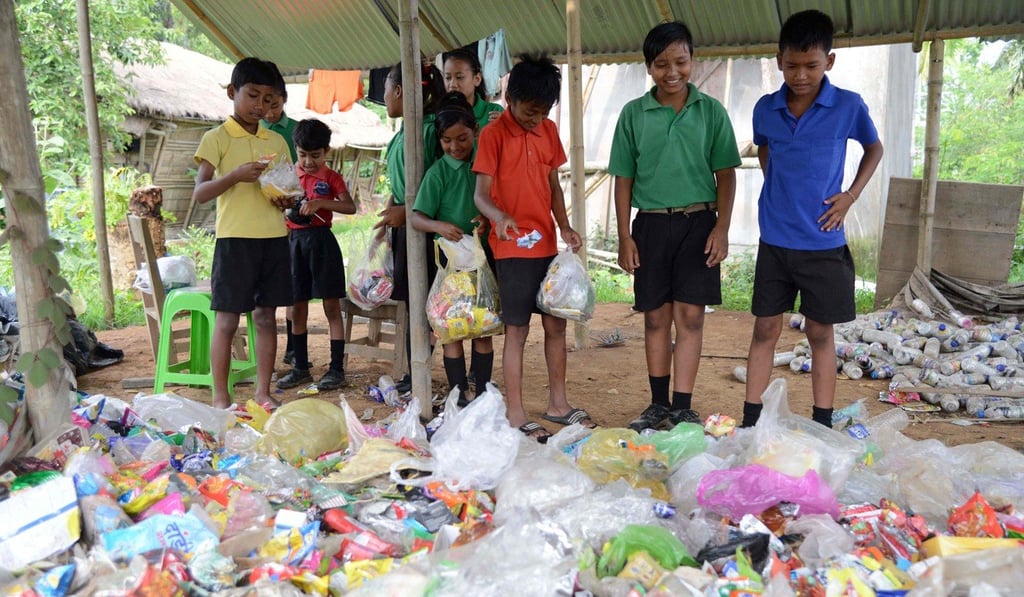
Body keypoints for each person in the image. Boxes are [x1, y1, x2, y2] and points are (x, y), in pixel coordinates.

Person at [743, 9, 884, 428]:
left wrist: (850, 196)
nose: (800, 75)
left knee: (820, 334)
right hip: (776, 241)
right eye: (791, 66)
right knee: (765, 329)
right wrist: (780, 189)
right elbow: (765, 148)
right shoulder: (766, 109)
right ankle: (751, 421)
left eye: (811, 66)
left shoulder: (847, 106)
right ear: (778, 60)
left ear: (829, 62)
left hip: (824, 243)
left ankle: (822, 423)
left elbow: (873, 148)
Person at [609, 22, 741, 432]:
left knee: (692, 317)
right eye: (661, 63)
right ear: (648, 67)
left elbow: (726, 175)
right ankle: (657, 404)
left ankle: (683, 406)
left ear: (692, 61)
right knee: (654, 317)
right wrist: (625, 236)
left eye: (680, 62)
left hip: (699, 224)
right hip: (650, 226)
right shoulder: (633, 114)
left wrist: (721, 228)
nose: (672, 72)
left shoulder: (711, 111)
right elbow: (623, 179)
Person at [473, 54, 594, 443]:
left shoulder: (549, 131)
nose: (535, 119)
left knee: (556, 325)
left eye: (543, 112)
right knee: (517, 331)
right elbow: (480, 195)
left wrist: (565, 225)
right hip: (511, 249)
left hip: (545, 244)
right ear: (511, 97)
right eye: (530, 110)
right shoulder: (492, 135)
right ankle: (515, 412)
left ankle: (558, 404)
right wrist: (500, 217)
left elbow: (553, 185)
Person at [193, 57, 293, 409]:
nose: (259, 106)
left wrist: (286, 201)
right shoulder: (216, 138)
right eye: (252, 95)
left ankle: (264, 393)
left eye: (268, 99)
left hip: (274, 238)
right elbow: (201, 192)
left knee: (267, 317)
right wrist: (234, 175)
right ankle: (221, 397)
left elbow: (286, 188)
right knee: (227, 320)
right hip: (234, 240)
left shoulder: (277, 141)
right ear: (233, 92)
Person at [410, 92, 495, 405]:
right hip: (450, 268)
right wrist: (440, 226)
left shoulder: (482, 167)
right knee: (452, 329)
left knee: (483, 326)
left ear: (475, 131)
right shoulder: (437, 174)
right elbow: (417, 218)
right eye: (447, 140)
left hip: (481, 262)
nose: (455, 147)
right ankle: (459, 394)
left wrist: (487, 221)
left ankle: (484, 392)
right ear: (440, 139)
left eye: (462, 138)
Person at [373, 62, 446, 394]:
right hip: (405, 227)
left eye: (386, 90)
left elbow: (435, 182)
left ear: (399, 91)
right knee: (412, 301)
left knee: (428, 302)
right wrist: (392, 206)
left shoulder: (429, 130)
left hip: (428, 229)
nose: (384, 96)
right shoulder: (403, 131)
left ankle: (421, 372)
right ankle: (413, 373)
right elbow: (403, 182)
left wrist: (406, 210)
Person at [275, 119, 357, 392]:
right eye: (303, 155)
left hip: (322, 243)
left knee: (331, 308)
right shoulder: (287, 175)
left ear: (326, 152)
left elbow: (350, 206)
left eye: (315, 155)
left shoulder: (332, 177)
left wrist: (322, 202)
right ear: (295, 150)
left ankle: (336, 369)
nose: (308, 161)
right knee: (297, 307)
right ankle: (300, 368)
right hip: (294, 244)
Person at [261, 84, 300, 367]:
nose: (270, 112)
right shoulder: (255, 131)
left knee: (291, 283)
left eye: (275, 105)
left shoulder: (295, 131)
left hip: (292, 215)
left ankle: (292, 345)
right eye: (266, 105)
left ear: (284, 100)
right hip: (260, 219)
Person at [442, 48, 503, 130]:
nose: (452, 84)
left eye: (459, 77)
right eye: (448, 78)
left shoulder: (494, 113)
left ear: (477, 79)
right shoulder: (440, 115)